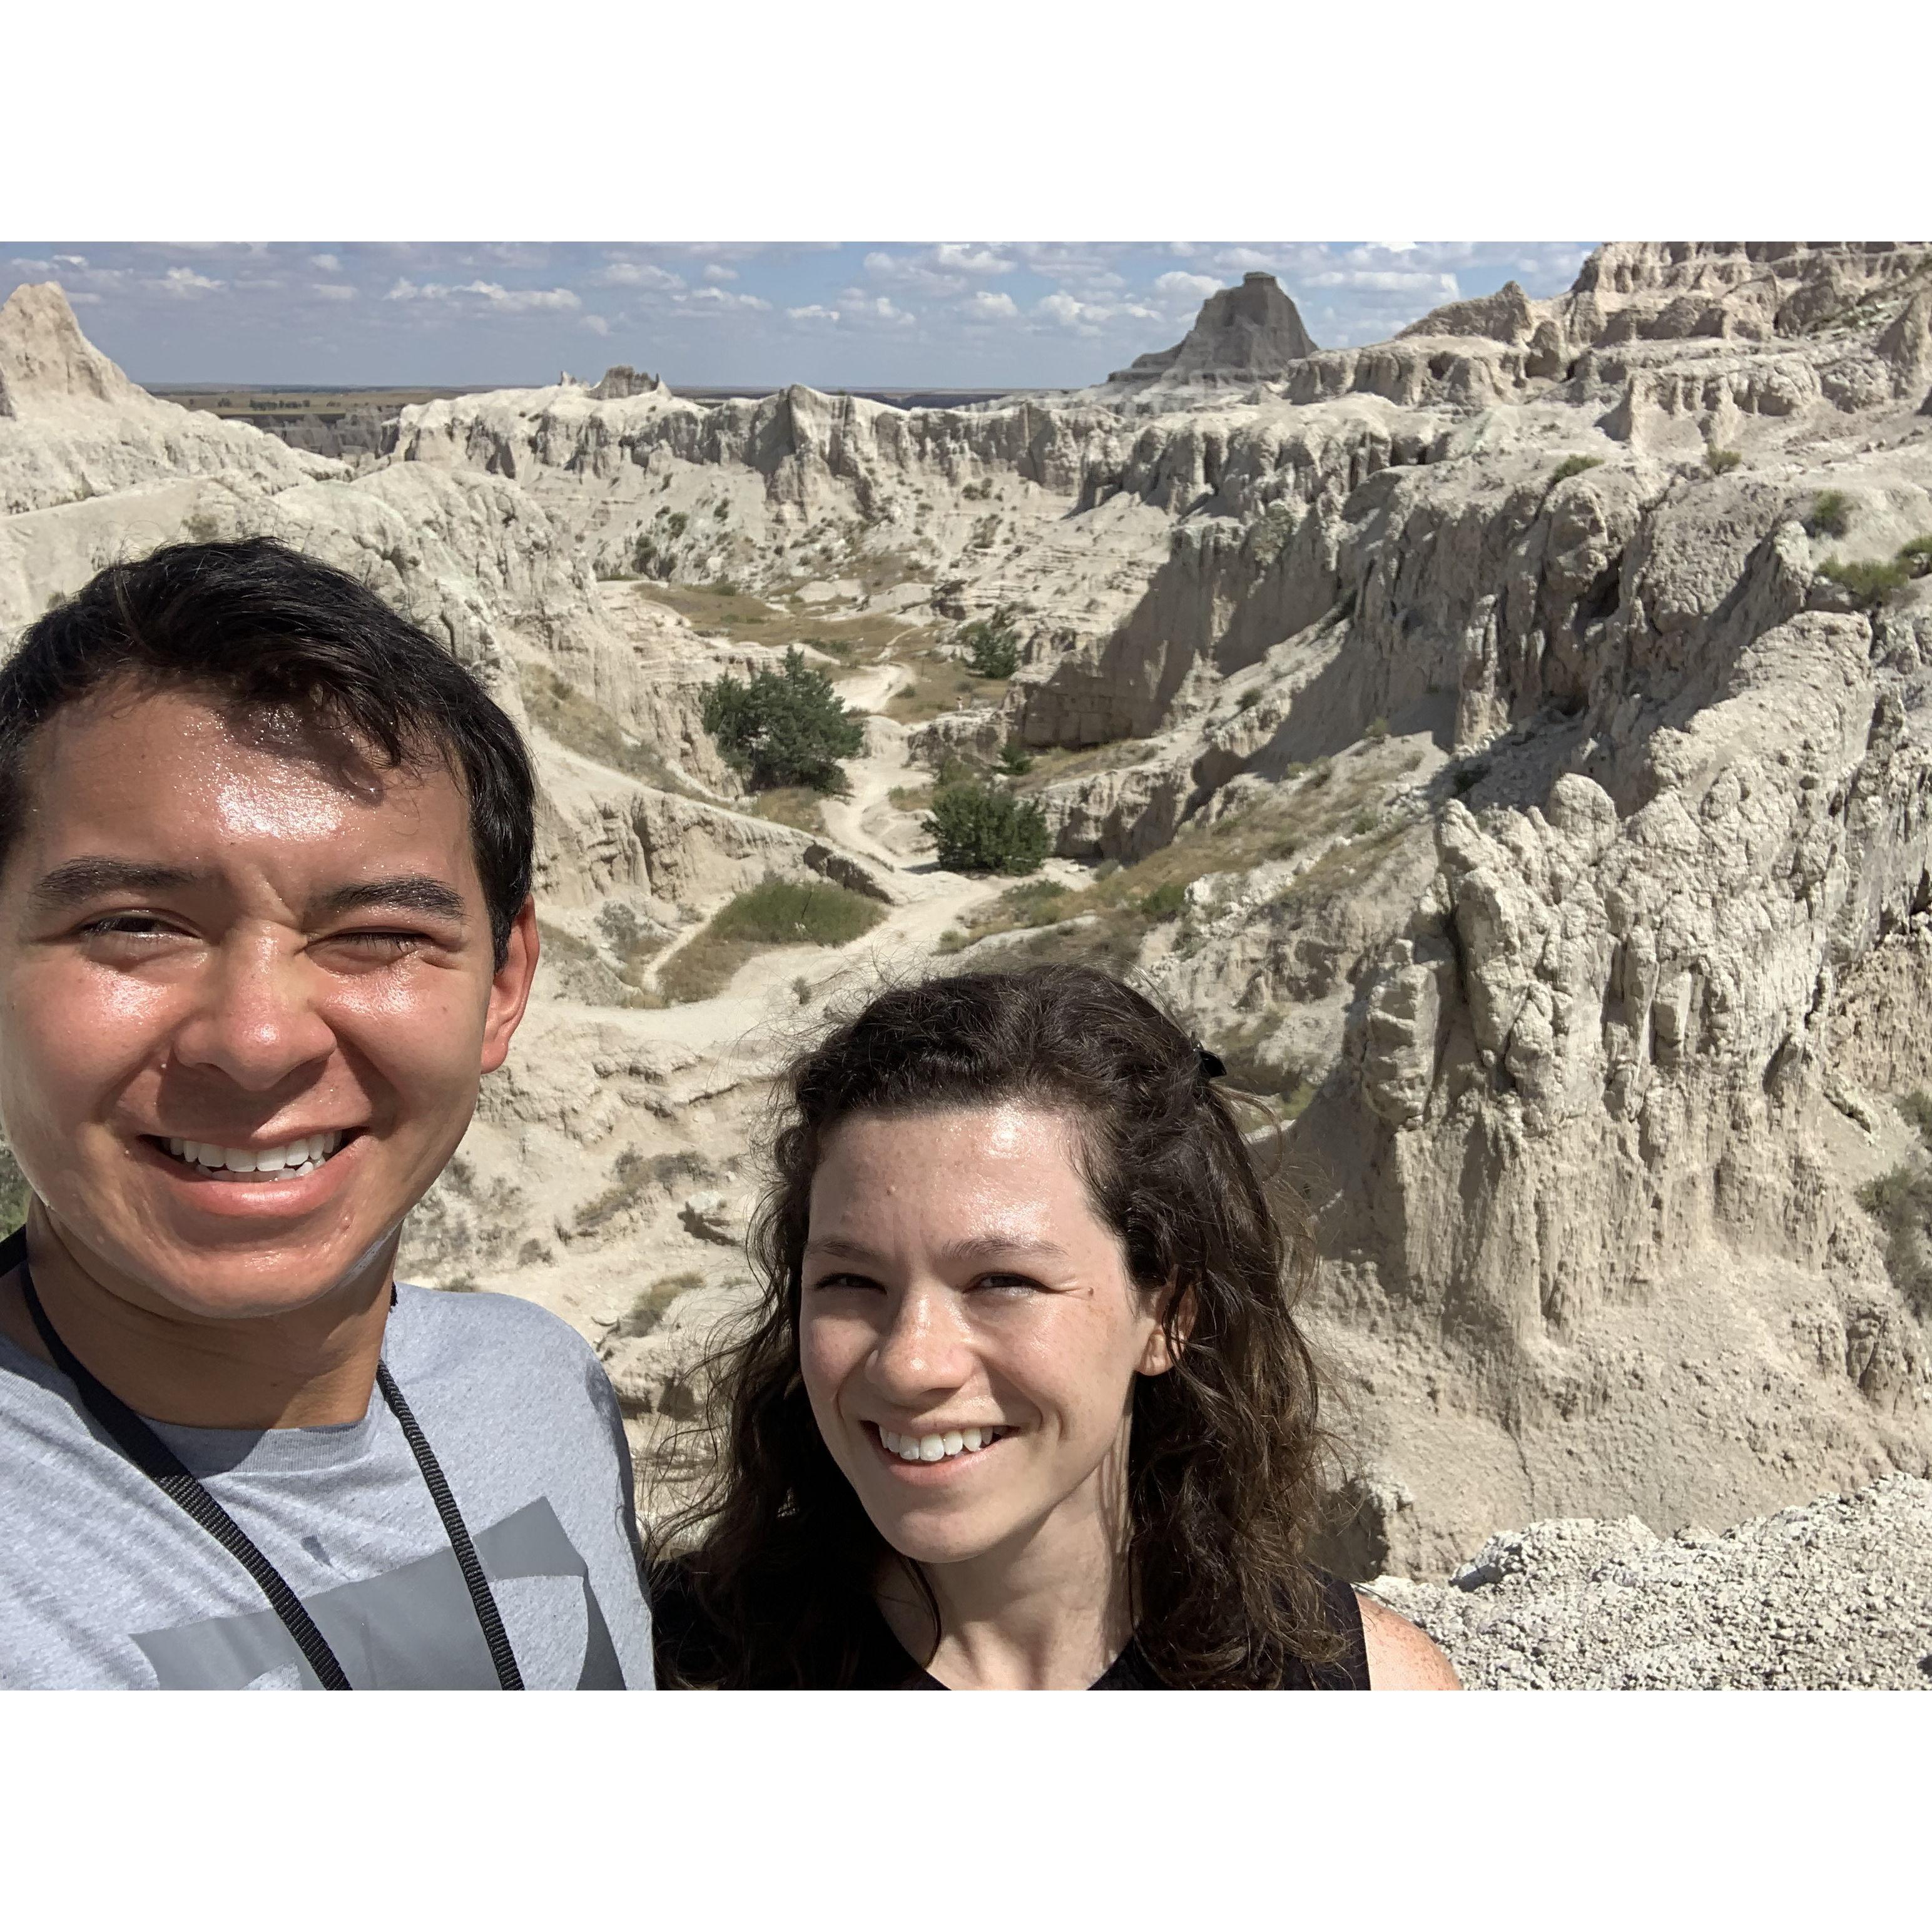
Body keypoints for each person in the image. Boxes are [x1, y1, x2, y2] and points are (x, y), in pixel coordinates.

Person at [0, 537, 653, 1689]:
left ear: (502, 989)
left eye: (377, 938)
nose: (257, 1042)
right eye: (135, 924)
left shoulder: (543, 1390)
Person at [649, 964, 1458, 1689]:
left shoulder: (1358, 1686)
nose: (909, 1364)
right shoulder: (671, 1667)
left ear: (1168, 1316)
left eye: (1003, 1281)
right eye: (851, 1281)